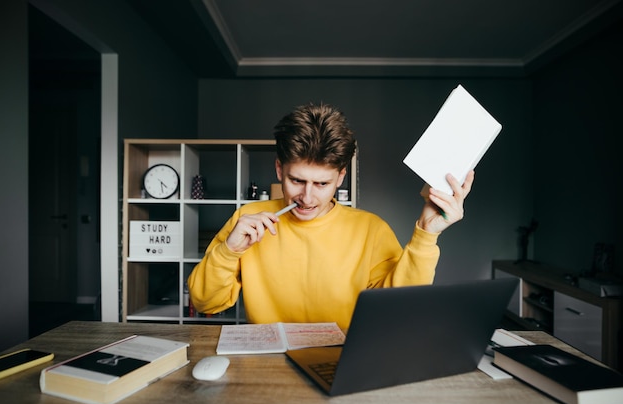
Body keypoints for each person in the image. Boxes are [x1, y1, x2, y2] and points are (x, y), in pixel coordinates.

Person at [188, 103, 474, 329]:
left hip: (344, 363)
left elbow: (400, 311)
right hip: (268, 366)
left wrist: (426, 233)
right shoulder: (247, 220)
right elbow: (205, 303)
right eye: (296, 181)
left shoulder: (371, 230)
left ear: (341, 177)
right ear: (279, 170)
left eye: (321, 184)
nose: (307, 198)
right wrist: (229, 252)